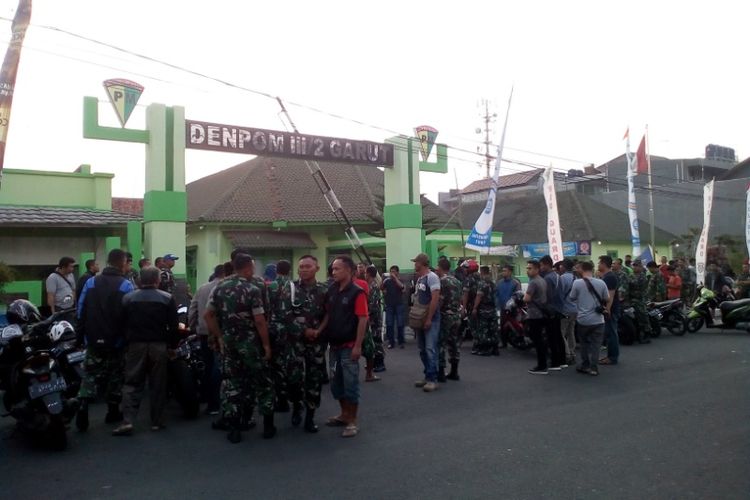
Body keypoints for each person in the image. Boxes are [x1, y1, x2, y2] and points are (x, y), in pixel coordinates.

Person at [204, 253, 274, 444]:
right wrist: (267, 345)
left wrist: (219, 336)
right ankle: (268, 425)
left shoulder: (220, 287)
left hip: (229, 343)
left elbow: (208, 315)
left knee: (233, 384)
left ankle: (234, 428)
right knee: (262, 382)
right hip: (251, 343)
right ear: (248, 268)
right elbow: (260, 320)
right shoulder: (253, 289)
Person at [113, 267, 179, 436]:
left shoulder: (128, 298)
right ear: (158, 280)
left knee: (132, 382)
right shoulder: (167, 298)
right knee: (158, 383)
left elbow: (120, 323)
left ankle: (128, 420)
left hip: (136, 345)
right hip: (159, 345)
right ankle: (157, 421)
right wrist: (172, 346)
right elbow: (173, 326)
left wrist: (126, 341)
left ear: (140, 281)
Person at [75, 249, 135, 431]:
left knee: (90, 374)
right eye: (126, 262)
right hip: (116, 340)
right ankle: (112, 410)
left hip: (93, 337)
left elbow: (81, 309)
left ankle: (83, 403)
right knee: (116, 375)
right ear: (122, 263)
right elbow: (130, 314)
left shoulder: (91, 282)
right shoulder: (126, 285)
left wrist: (81, 336)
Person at [311, 255, 368, 438]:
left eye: (337, 269)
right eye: (333, 269)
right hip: (333, 346)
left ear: (349, 271)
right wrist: (319, 330)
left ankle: (352, 421)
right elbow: (328, 315)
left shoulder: (357, 292)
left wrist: (358, 346)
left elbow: (363, 319)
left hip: (349, 345)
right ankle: (344, 415)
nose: (333, 272)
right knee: (337, 384)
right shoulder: (332, 290)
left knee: (351, 384)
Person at [287, 255, 328, 433]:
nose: (303, 269)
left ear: (316, 268)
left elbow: (329, 314)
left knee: (314, 379)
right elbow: (284, 315)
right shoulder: (290, 289)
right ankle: (297, 406)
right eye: (301, 267)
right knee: (294, 378)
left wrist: (319, 330)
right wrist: (303, 330)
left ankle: (310, 417)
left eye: (307, 266)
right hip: (295, 342)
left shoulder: (324, 290)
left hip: (317, 342)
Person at [188, 264, 225, 416]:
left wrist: (193, 327)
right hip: (220, 334)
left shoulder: (203, 288)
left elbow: (193, 309)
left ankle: (206, 398)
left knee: (207, 366)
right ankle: (215, 402)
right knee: (218, 368)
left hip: (203, 333)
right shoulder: (226, 287)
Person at [569, 261, 609, 376]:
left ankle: (585, 365)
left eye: (578, 268)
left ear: (582, 269)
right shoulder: (601, 283)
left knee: (584, 344)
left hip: (583, 320)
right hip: (598, 320)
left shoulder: (577, 283)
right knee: (596, 345)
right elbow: (606, 298)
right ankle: (594, 368)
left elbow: (572, 298)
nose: (576, 270)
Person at [410, 253, 441, 392]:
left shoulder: (432, 277)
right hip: (420, 318)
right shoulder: (420, 278)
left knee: (430, 349)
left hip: (431, 319)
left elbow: (435, 299)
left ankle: (433, 379)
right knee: (422, 349)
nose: (414, 264)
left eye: (416, 262)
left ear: (421, 263)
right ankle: (427, 375)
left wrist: (429, 318)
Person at [267, 260, 294, 412]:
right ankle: (293, 396)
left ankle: (281, 399)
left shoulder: (270, 286)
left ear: (276, 270)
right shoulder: (294, 286)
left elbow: (265, 309)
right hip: (290, 330)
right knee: (291, 363)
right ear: (290, 270)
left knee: (276, 366)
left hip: (273, 330)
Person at [436, 258, 463, 381]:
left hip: (445, 316)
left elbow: (440, 300)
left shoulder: (442, 281)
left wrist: (434, 314)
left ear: (440, 268)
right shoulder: (457, 281)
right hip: (456, 316)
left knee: (441, 343)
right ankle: (454, 371)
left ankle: (441, 372)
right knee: (454, 343)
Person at [539, 255, 566, 370]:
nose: (540, 268)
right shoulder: (558, 276)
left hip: (551, 310)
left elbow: (546, 297)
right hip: (559, 309)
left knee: (552, 337)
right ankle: (562, 360)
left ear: (546, 264)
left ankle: (555, 363)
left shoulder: (547, 279)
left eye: (541, 265)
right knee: (559, 336)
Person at [524, 260, 549, 375]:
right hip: (542, 313)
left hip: (534, 314)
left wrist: (525, 298)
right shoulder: (542, 280)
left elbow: (527, 299)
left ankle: (541, 365)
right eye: (527, 268)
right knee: (541, 340)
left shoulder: (533, 282)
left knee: (537, 340)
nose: (527, 270)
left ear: (537, 269)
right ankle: (543, 363)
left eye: (530, 268)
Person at [598, 255, 621, 365]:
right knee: (609, 333)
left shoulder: (610, 277)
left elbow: (610, 296)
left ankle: (612, 357)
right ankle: (610, 356)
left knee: (612, 333)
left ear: (603, 264)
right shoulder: (606, 276)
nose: (598, 265)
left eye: (599, 263)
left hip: (611, 309)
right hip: (609, 308)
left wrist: (607, 309)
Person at [471, 265, 498, 356]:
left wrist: (475, 307)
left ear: (482, 272)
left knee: (483, 329)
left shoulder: (482, 283)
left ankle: (485, 349)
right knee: (493, 329)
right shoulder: (493, 282)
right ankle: (495, 348)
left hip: (484, 309)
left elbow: (479, 296)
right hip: (492, 308)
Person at [365, 265, 386, 374]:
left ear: (368, 273)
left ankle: (380, 363)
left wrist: (366, 315)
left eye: (365, 272)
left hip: (375, 318)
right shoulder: (370, 285)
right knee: (373, 341)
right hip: (372, 318)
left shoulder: (373, 286)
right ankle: (373, 363)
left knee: (377, 341)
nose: (364, 274)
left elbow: (372, 305)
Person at [495, 264, 521, 349]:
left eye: (505, 271)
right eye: (503, 271)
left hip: (513, 308)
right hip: (502, 308)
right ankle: (504, 342)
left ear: (510, 272)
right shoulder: (499, 282)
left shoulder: (516, 282)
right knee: (503, 325)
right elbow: (496, 294)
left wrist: (512, 302)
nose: (503, 272)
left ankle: (520, 341)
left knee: (516, 324)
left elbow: (518, 294)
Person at [627, 260, 652, 344]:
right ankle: (638, 333)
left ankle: (647, 333)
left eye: (636, 266)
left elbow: (637, 285)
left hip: (640, 299)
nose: (634, 267)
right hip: (632, 299)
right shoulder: (631, 275)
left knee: (643, 316)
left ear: (640, 267)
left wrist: (629, 282)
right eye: (634, 266)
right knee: (635, 317)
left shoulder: (643, 276)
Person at [381, 265, 406, 349]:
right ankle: (391, 342)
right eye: (391, 271)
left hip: (399, 304)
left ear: (397, 272)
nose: (392, 273)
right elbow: (381, 288)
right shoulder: (387, 280)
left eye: (394, 271)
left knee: (400, 323)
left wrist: (395, 278)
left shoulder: (400, 280)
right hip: (389, 305)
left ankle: (401, 341)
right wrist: (382, 279)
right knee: (389, 324)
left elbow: (402, 287)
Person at [558, 259, 577, 365]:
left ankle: (567, 354)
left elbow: (560, 295)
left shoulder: (562, 278)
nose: (560, 267)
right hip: (575, 309)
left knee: (561, 332)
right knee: (571, 332)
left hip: (565, 310)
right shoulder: (576, 278)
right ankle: (572, 352)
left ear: (564, 267)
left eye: (561, 266)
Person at [460, 259, 480, 341]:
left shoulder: (468, 279)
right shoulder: (481, 277)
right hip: (481, 307)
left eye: (465, 268)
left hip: (472, 307)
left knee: (474, 326)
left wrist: (463, 308)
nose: (464, 270)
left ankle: (477, 344)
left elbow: (465, 294)